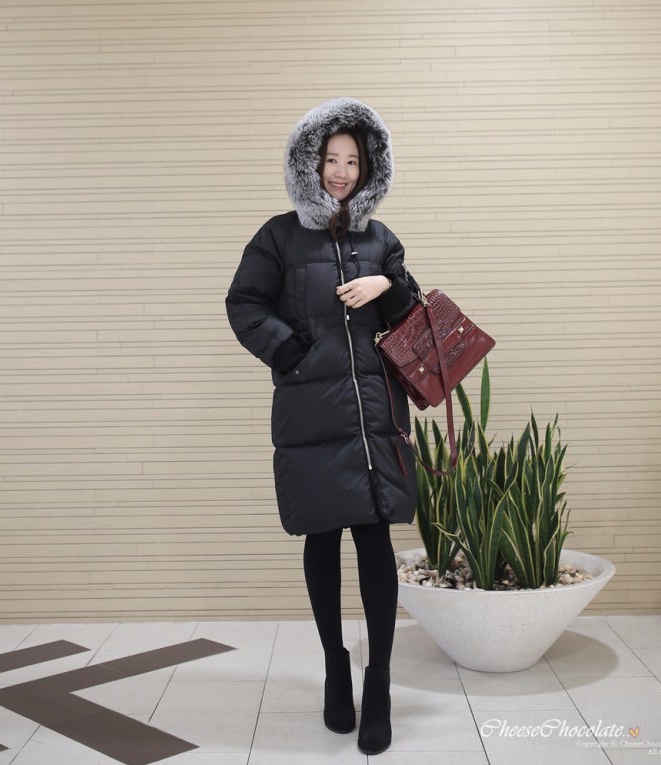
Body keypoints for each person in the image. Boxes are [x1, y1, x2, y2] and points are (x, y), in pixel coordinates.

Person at [225, 97, 417, 756]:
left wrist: (385, 288)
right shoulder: (278, 237)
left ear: (369, 169)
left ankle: (378, 683)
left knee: (374, 540)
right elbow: (244, 303)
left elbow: (410, 313)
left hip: (373, 414)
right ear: (309, 163)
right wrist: (292, 353)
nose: (340, 171)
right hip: (311, 409)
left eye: (352, 161)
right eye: (330, 159)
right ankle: (336, 667)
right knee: (321, 537)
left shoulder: (380, 239)